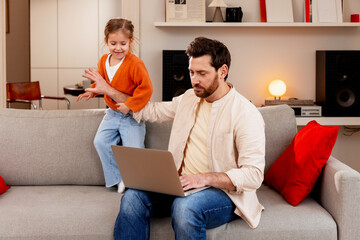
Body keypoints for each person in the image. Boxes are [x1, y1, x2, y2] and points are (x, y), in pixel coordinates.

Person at [89, 36, 265, 239]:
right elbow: (149, 111)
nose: (195, 80)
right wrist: (109, 90)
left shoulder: (246, 113)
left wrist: (203, 178)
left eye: (202, 73)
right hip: (179, 184)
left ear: (222, 71)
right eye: (191, 72)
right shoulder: (189, 98)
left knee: (185, 207)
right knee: (132, 196)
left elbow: (253, 174)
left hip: (223, 194)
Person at [77, 18, 153, 193]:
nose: (118, 48)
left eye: (123, 43)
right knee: (100, 142)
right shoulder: (104, 60)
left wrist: (130, 105)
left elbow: (146, 90)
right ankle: (119, 178)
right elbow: (102, 83)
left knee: (134, 151)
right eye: (113, 43)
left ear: (130, 42)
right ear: (106, 42)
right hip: (111, 114)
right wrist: (93, 91)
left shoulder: (135, 64)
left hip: (132, 117)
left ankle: (134, 181)